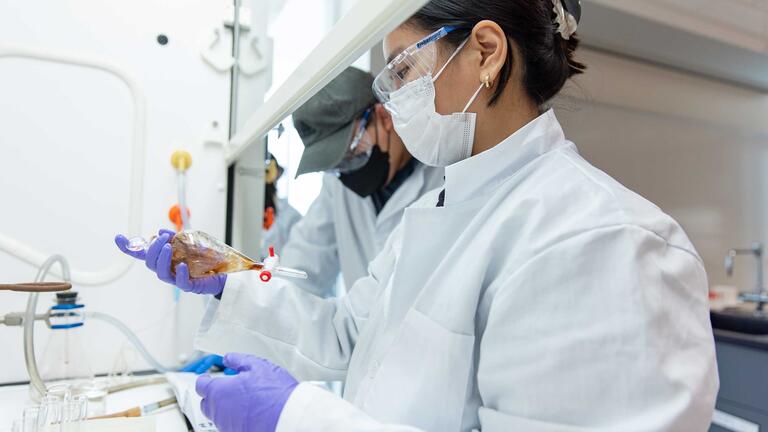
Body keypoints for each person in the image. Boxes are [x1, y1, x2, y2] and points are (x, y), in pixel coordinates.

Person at [118, 1, 719, 431]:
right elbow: (349, 337)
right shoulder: (442, 210)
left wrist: (297, 416)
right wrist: (230, 283)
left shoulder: (600, 238)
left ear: (485, 52)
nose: (393, 103)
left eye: (402, 70)